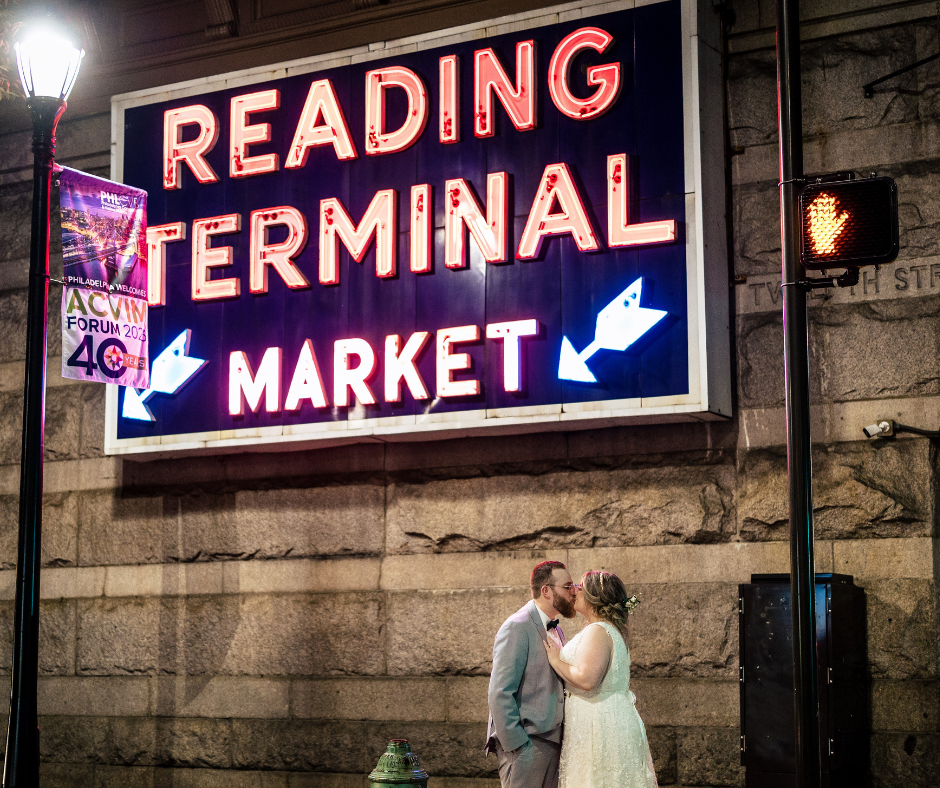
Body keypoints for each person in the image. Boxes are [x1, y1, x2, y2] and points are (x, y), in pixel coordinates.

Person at [543, 570, 658, 788]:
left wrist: (556, 660)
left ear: (594, 597)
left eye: (580, 586)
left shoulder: (598, 630)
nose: (574, 590)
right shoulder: (609, 629)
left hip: (598, 723)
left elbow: (587, 680)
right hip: (608, 716)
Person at [485, 560, 579, 788]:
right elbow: (500, 691)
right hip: (527, 744)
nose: (573, 591)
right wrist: (517, 744)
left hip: (552, 741)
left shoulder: (556, 627)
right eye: (567, 586)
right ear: (546, 590)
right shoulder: (517, 626)